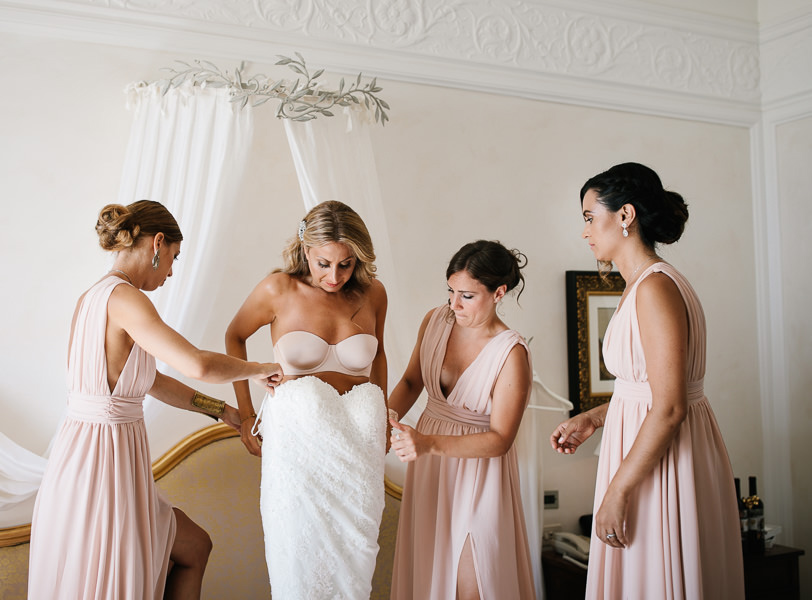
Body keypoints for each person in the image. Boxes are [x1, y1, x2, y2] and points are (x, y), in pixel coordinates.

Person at [28, 200, 283, 600]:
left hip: (83, 455)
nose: (170, 273)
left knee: (194, 546)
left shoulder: (90, 298)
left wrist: (225, 412)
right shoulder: (127, 299)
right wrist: (259, 368)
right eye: (173, 259)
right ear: (157, 243)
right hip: (103, 462)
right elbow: (196, 364)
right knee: (120, 574)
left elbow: (151, 382)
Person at [550, 162, 744, 599]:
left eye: (588, 217)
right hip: (651, 450)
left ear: (625, 215)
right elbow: (649, 390)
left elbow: (671, 406)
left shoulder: (655, 288)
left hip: (664, 463)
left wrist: (617, 490)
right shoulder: (642, 285)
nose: (585, 232)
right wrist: (596, 418)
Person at [225, 200, 389, 600]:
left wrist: (384, 416)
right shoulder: (277, 289)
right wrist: (248, 415)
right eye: (323, 264)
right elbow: (235, 336)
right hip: (297, 461)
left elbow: (379, 353)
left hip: (359, 465)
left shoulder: (373, 293)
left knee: (355, 574)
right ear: (304, 250)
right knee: (299, 572)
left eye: (346, 264)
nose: (334, 276)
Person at [388, 240, 536, 600]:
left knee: (473, 582)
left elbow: (501, 438)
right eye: (451, 291)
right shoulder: (435, 320)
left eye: (467, 296)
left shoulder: (511, 353)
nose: (454, 304)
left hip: (479, 473)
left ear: (498, 293)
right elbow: (411, 381)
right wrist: (384, 418)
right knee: (429, 570)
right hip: (430, 468)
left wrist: (427, 443)